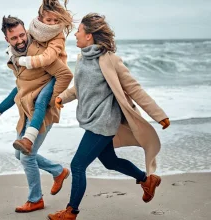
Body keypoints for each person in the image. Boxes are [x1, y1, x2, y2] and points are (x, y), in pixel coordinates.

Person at [47, 13, 170, 220]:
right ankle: (146, 180)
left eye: (79, 31)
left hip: (104, 123)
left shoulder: (110, 60)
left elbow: (134, 89)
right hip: (91, 121)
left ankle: (71, 212)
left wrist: (159, 115)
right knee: (110, 162)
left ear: (89, 35)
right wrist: (62, 97)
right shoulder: (82, 58)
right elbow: (79, 88)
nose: (75, 34)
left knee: (77, 165)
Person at [0, 15, 73, 213]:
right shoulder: (14, 56)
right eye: (14, 38)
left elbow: (66, 74)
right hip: (27, 111)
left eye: (21, 35)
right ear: (6, 40)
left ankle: (35, 199)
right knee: (20, 154)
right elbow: (20, 87)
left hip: (42, 113)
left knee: (27, 156)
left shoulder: (38, 52)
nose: (19, 41)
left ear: (26, 31)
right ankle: (58, 171)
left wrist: (51, 101)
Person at [0, 0, 73, 155]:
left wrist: (26, 61)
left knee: (41, 100)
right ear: (41, 19)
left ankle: (28, 139)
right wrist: (12, 53)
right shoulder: (35, 30)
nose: (52, 23)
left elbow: (48, 58)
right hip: (40, 72)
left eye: (55, 20)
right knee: (17, 90)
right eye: (48, 20)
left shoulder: (57, 36)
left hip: (53, 74)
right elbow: (22, 46)